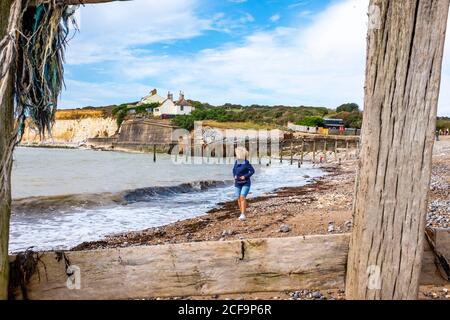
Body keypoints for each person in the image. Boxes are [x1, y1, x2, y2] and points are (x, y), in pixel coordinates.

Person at [233, 147, 255, 221]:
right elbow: (233, 170)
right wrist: (234, 176)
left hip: (246, 183)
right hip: (237, 183)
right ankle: (242, 213)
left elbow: (252, 171)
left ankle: (243, 214)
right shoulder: (236, 162)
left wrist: (245, 176)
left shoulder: (246, 162)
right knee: (238, 198)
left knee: (242, 197)